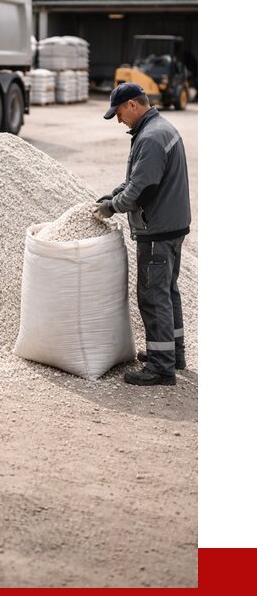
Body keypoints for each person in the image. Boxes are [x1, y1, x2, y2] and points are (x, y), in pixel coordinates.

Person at [94, 82, 191, 386]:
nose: (119, 120)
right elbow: (139, 178)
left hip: (157, 229)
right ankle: (173, 354)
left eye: (119, 113)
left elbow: (142, 189)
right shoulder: (159, 129)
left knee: (153, 296)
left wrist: (112, 207)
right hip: (172, 225)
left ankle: (161, 367)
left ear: (133, 105)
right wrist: (114, 193)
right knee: (167, 291)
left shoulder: (149, 138)